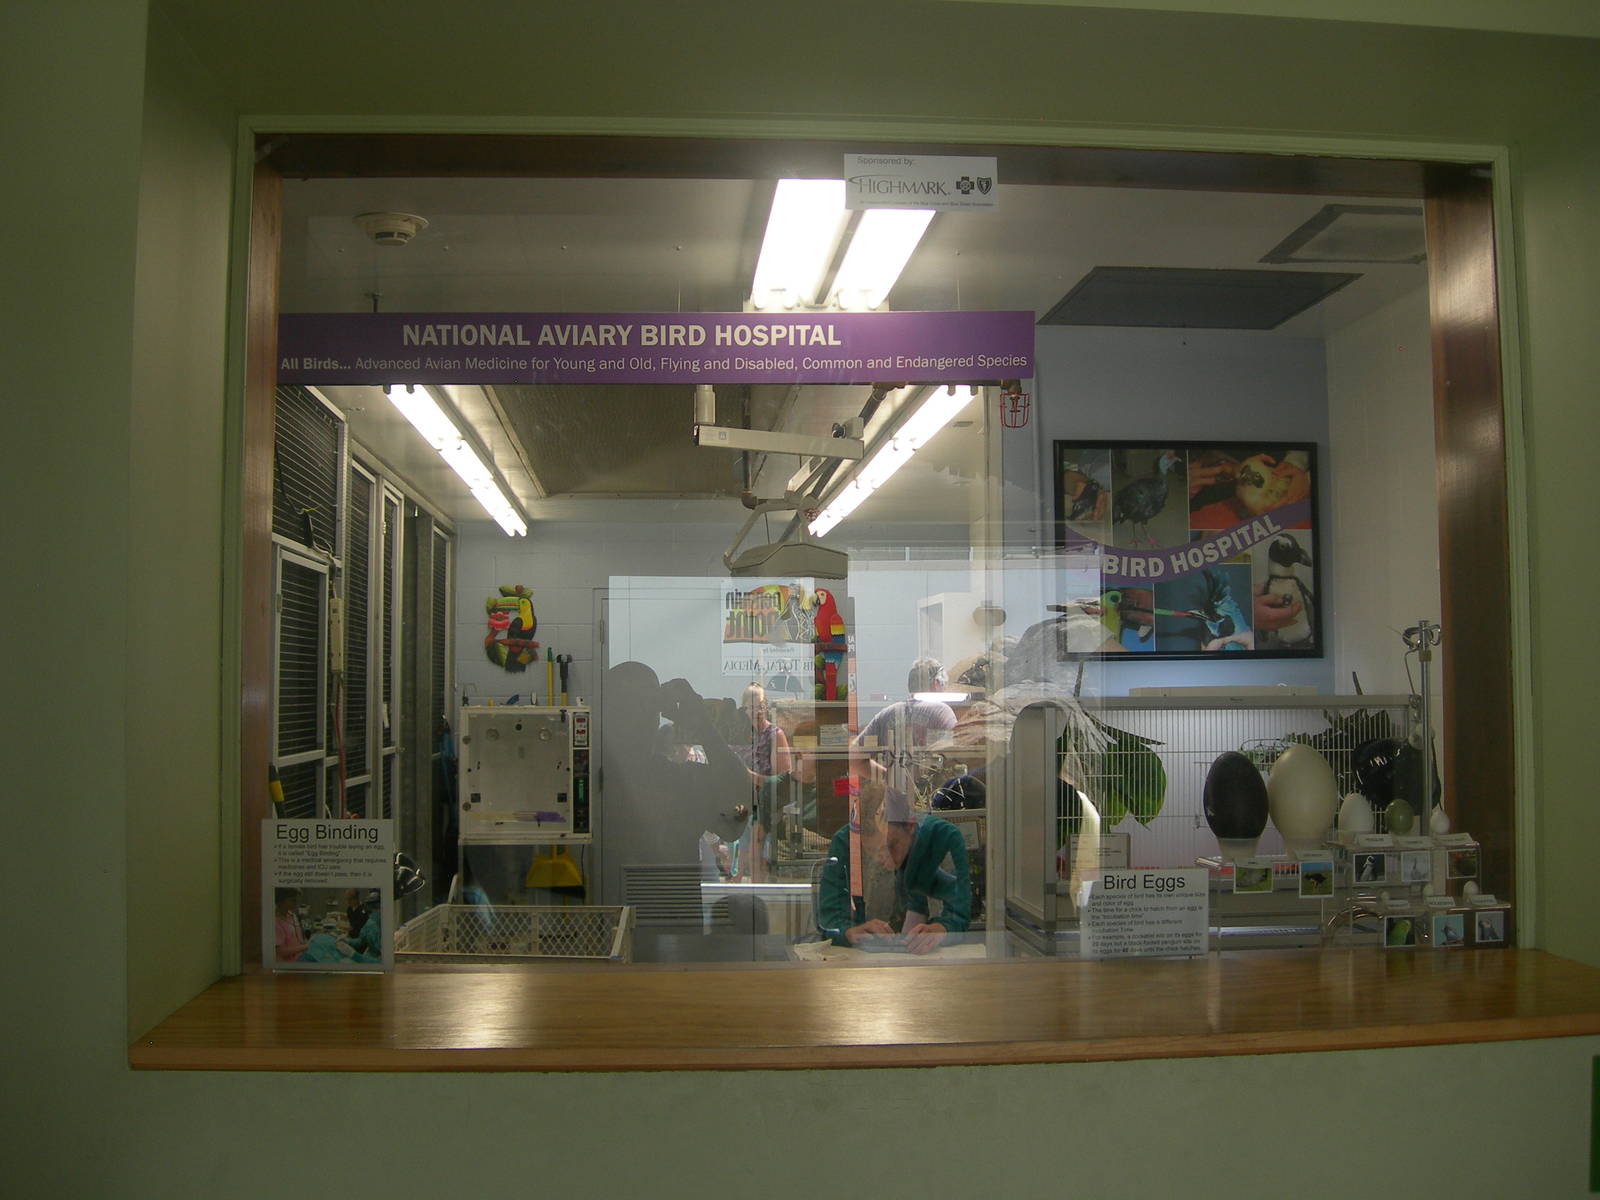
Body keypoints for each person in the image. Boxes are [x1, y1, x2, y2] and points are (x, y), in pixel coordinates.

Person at [816, 791, 971, 954]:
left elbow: (959, 913)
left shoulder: (943, 837)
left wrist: (941, 929)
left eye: (891, 846)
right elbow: (829, 920)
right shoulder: (845, 842)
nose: (884, 860)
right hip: (864, 958)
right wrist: (849, 932)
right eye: (872, 852)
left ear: (910, 826)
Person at [852, 658, 957, 809]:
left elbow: (854, 759)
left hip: (893, 809)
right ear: (936, 683)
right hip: (933, 806)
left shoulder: (887, 713)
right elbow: (956, 756)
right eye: (943, 685)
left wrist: (887, 776)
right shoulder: (942, 711)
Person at [733, 683, 791, 779]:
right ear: (744, 709)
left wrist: (749, 775)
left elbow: (782, 781)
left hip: (762, 793)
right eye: (752, 707)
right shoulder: (735, 733)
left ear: (766, 707)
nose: (757, 711)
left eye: (760, 706)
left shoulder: (775, 735)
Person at [273, 888, 308, 962]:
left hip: (299, 958)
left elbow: (299, 938)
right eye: (293, 900)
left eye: (297, 901)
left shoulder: (292, 915)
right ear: (280, 901)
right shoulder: (275, 922)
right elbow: (281, 952)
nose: (296, 904)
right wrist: (306, 947)